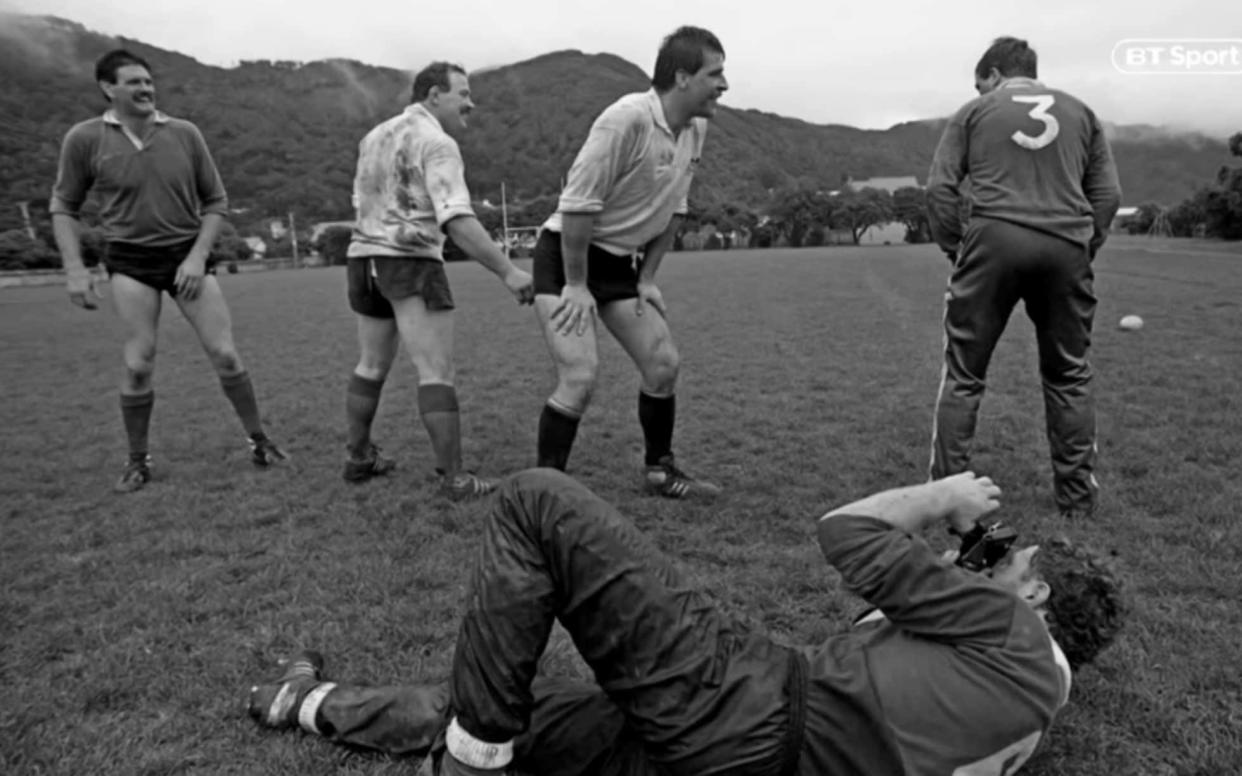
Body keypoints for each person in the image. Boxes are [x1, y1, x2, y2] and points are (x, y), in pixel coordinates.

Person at [247, 468, 1125, 775]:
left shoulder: (1010, 633)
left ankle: (467, 767)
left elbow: (845, 532)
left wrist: (944, 500)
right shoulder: (1034, 701)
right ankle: (308, 703)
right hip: (749, 761)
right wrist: (956, 567)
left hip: (749, 712)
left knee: (537, 503)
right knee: (509, 716)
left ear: (1037, 597)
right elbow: (873, 628)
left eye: (1009, 563)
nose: (987, 560)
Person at [50, 49, 288, 493]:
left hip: (186, 253)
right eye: (133, 82)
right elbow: (63, 206)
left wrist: (197, 257)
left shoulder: (184, 133)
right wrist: (74, 268)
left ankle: (260, 441)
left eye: (148, 81)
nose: (145, 89)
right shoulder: (85, 139)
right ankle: (138, 460)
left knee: (225, 354)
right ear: (108, 88)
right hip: (130, 259)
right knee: (139, 362)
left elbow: (215, 201)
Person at [925, 37, 1123, 519]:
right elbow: (1109, 195)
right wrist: (1083, 245)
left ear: (994, 75)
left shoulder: (974, 112)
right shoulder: (1083, 113)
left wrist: (958, 249)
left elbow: (939, 189)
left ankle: (948, 495)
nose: (978, 91)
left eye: (979, 84)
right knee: (1069, 374)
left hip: (994, 240)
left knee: (964, 375)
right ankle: (1077, 500)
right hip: (1065, 245)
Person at [530, 26, 728, 498]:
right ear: (682, 77)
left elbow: (674, 208)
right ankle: (542, 495)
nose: (724, 85)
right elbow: (578, 206)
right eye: (715, 73)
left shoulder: (695, 129)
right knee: (579, 376)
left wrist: (647, 278)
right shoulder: (626, 119)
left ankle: (660, 471)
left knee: (662, 363)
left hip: (620, 264)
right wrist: (576, 284)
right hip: (566, 257)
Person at [341, 61, 534, 498]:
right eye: (462, 93)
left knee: (370, 365)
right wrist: (508, 270)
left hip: (362, 261)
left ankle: (358, 457)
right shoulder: (437, 142)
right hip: (409, 261)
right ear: (433, 95)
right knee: (436, 371)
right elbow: (457, 219)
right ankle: (454, 479)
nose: (471, 102)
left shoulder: (373, 137)